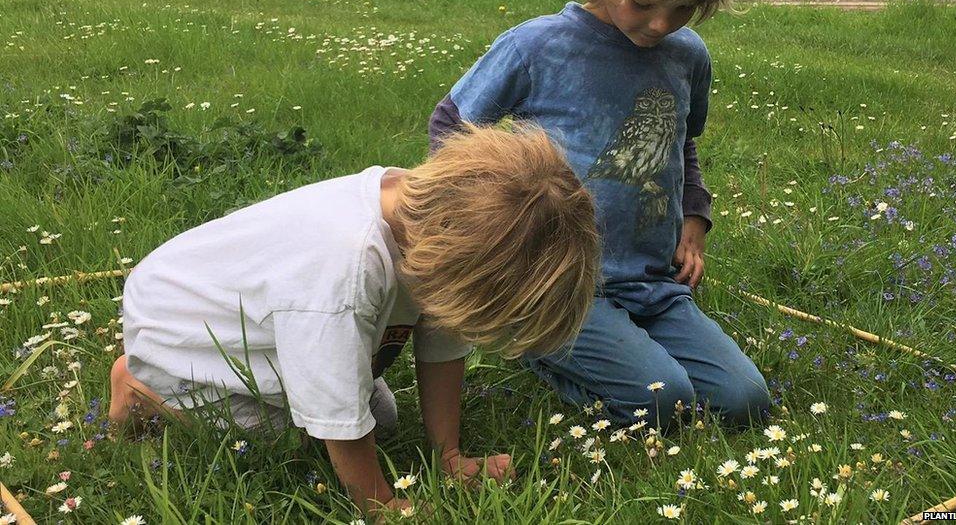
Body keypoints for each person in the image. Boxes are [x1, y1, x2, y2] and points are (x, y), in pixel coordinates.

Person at [108, 123, 602, 517]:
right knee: (297, 434)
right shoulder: (342, 272)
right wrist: (382, 506)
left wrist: (448, 457)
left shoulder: (439, 219)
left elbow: (445, 342)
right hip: (181, 333)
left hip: (268, 316)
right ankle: (142, 386)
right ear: (454, 266)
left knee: (379, 420)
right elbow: (335, 409)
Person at [429, 0, 770, 431]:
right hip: (559, 283)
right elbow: (451, 127)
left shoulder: (687, 54)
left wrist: (694, 213)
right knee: (663, 401)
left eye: (684, 8)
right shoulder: (535, 46)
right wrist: (488, 231)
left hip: (652, 281)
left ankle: (621, 347)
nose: (660, 24)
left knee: (745, 400)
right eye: (644, 3)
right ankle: (538, 344)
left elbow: (682, 141)